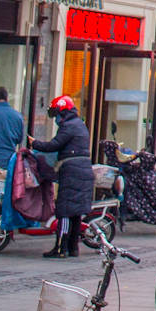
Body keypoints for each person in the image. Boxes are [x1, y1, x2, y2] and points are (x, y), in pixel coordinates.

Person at [31, 95, 94, 260]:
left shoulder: (69, 126)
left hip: (72, 171)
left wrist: (35, 144)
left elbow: (54, 145)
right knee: (76, 212)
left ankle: (61, 247)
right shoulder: (79, 124)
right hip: (83, 170)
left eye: (56, 114)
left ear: (62, 112)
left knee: (64, 211)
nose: (56, 119)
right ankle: (73, 248)